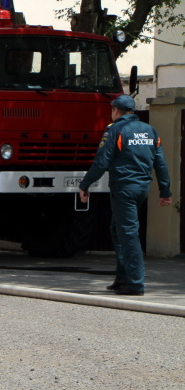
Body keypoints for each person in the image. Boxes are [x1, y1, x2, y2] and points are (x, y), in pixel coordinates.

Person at [78, 94, 173, 296]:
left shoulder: (116, 129)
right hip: (142, 188)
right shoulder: (150, 130)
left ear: (116, 111)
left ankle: (135, 283)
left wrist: (85, 185)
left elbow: (101, 161)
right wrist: (165, 191)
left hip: (124, 188)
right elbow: (161, 163)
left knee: (128, 233)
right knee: (118, 228)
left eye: (111, 110)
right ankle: (122, 278)